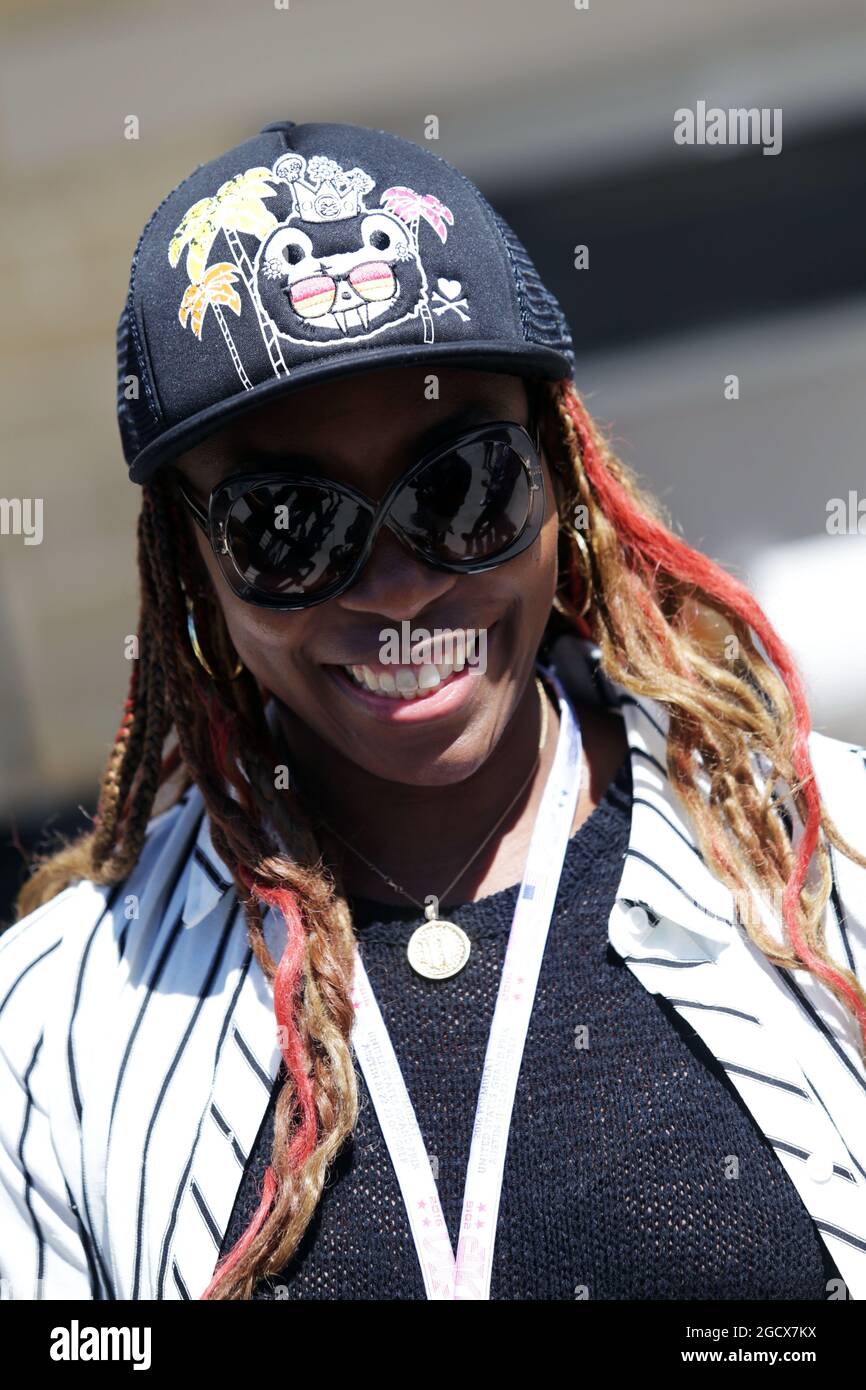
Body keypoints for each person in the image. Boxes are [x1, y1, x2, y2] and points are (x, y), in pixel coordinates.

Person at [2, 118, 866, 1303]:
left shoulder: (834, 866)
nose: (401, 588)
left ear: (562, 483)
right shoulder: (48, 1034)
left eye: (465, 486)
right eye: (287, 527)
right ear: (190, 572)